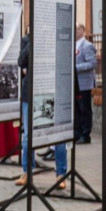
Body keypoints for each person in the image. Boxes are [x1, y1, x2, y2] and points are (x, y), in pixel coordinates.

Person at [17, 29, 67, 188]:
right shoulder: (27, 40)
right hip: (31, 94)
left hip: (52, 92)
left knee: (58, 135)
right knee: (27, 136)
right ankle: (27, 171)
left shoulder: (56, 38)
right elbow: (21, 61)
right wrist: (34, 39)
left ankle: (61, 174)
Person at [75, 24, 96, 143]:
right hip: (75, 83)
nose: (75, 32)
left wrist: (75, 68)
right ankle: (77, 133)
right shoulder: (73, 45)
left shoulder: (88, 46)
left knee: (84, 109)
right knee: (77, 109)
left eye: (77, 29)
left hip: (84, 84)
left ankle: (85, 134)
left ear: (82, 30)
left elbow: (92, 64)